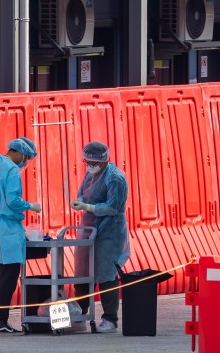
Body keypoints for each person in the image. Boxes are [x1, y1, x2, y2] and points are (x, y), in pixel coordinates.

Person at [0, 136, 41, 334]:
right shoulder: (12, 169)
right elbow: (13, 200)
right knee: (8, 276)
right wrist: (31, 206)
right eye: (27, 157)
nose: (26, 162)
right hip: (6, 228)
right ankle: (1, 322)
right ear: (19, 152)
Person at [70, 141, 130, 333]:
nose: (90, 166)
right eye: (87, 162)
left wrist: (89, 207)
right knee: (82, 273)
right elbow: (83, 192)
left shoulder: (115, 179)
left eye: (94, 162)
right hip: (89, 229)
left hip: (109, 232)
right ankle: (80, 315)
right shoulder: (91, 173)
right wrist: (80, 200)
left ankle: (110, 319)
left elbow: (113, 207)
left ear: (105, 160)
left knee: (106, 274)